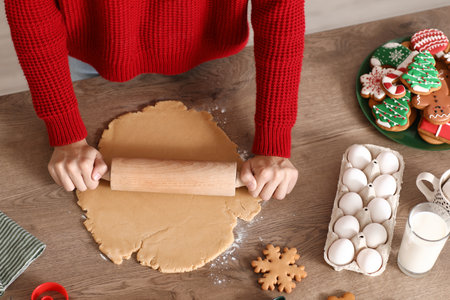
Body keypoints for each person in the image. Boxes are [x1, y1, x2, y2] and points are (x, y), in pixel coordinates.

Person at [5, 0, 305, 201]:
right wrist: (64, 130)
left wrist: (274, 139)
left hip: (210, 45)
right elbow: (30, 11)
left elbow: (280, 10)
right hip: (94, 47)